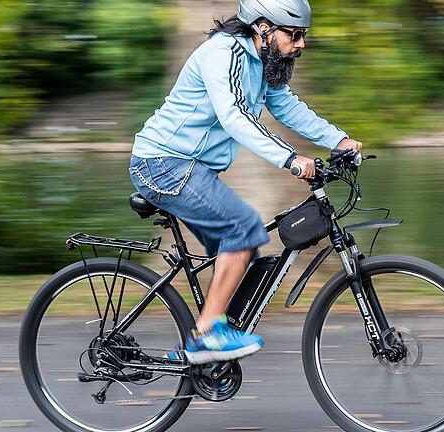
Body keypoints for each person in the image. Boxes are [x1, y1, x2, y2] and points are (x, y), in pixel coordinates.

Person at [128, 0, 362, 364]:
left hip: (191, 170)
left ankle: (215, 339)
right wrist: (290, 158)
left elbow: (287, 106)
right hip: (162, 164)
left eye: (303, 36)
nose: (301, 44)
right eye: (295, 35)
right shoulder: (223, 54)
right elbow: (235, 116)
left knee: (245, 249)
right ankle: (207, 334)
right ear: (263, 28)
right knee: (244, 227)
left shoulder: (262, 62)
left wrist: (338, 140)